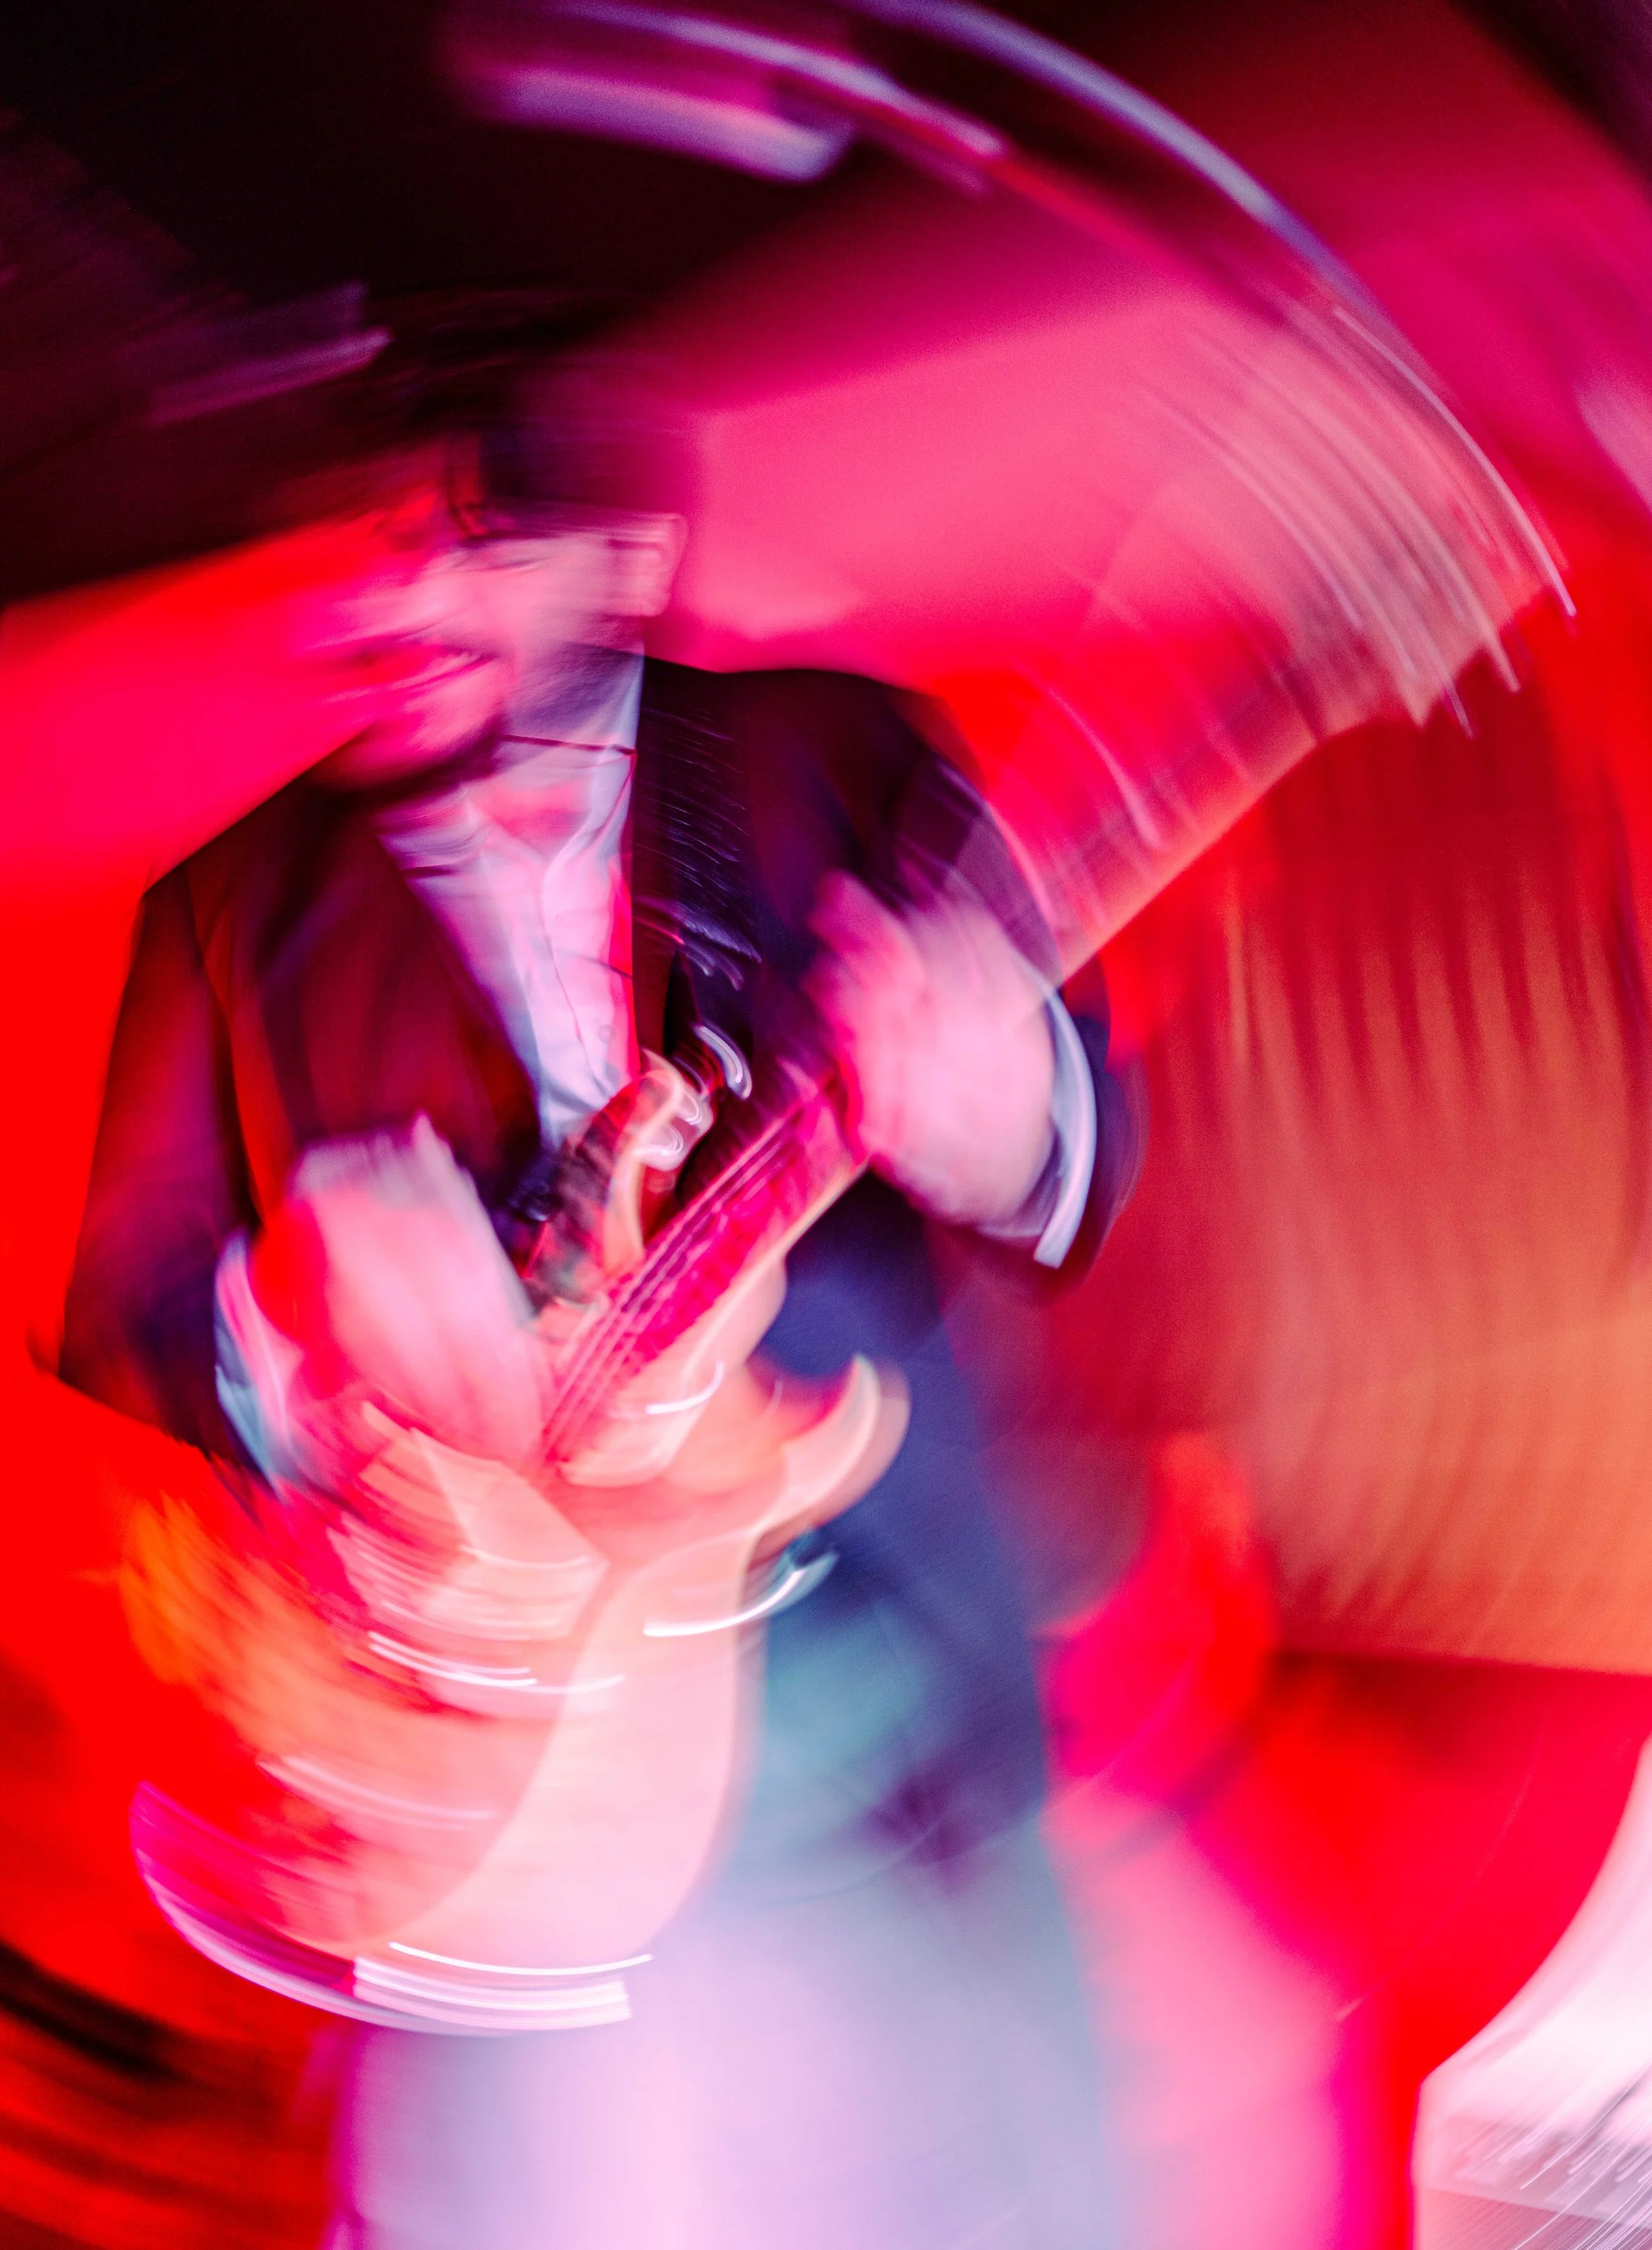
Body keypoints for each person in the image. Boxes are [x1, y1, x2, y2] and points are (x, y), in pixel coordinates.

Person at [58, 378, 1143, 2250]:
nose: (386, 615)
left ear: (622, 563)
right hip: (488, 1748)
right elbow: (121, 1303)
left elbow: (1080, 1146)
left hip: (878, 1669)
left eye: (457, 552)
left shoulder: (832, 755)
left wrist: (1008, 1109)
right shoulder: (226, 908)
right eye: (354, 563)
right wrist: (291, 1314)